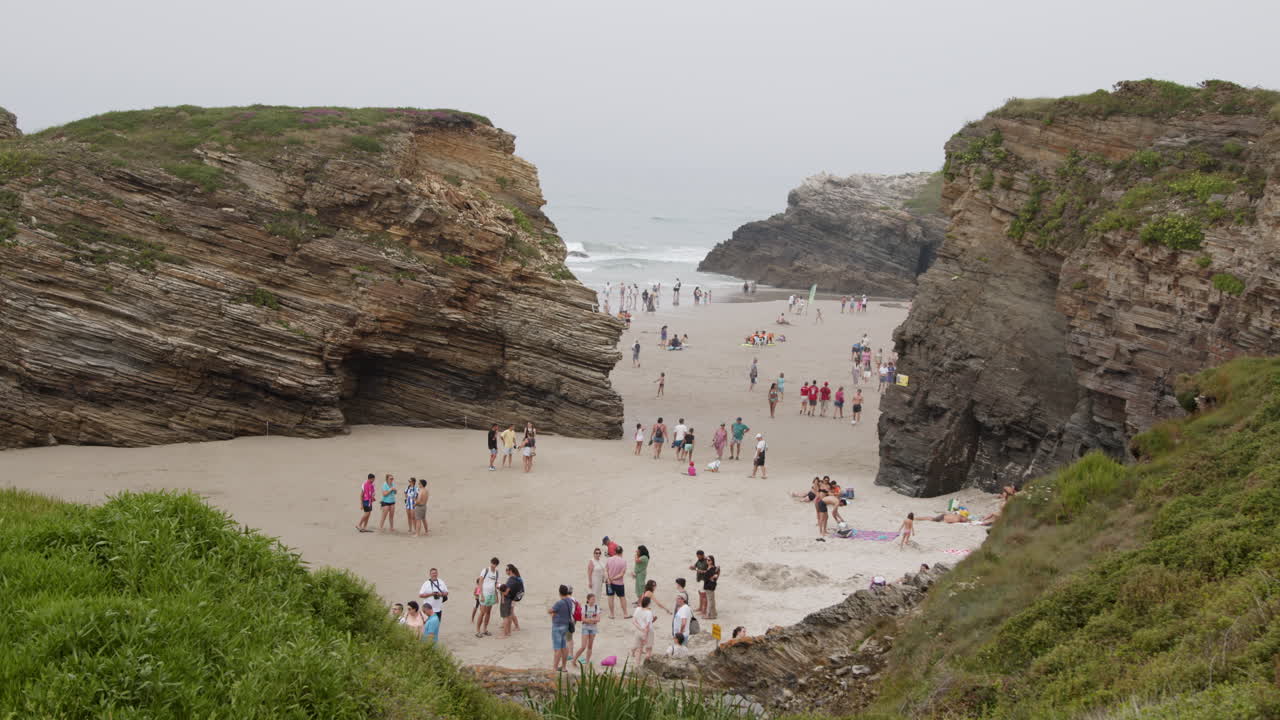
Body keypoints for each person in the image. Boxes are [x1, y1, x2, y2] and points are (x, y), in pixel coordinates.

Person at [549, 585, 576, 672]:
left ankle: (555, 668)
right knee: (564, 647)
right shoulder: (570, 601)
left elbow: (551, 611)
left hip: (557, 626)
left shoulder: (559, 603)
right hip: (565, 626)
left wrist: (552, 612)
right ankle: (564, 667)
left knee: (557, 648)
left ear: (559, 593)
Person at [573, 592, 601, 666]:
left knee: (590, 646)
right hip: (585, 628)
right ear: (588, 600)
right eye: (592, 599)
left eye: (594, 599)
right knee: (583, 646)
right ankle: (574, 660)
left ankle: (587, 662)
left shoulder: (596, 607)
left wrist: (589, 620)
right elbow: (583, 619)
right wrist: (592, 620)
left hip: (593, 629)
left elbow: (598, 619)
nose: (593, 601)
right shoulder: (584, 607)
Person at [475, 557, 500, 638]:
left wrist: (496, 596)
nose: (493, 565)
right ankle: (478, 631)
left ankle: (485, 629)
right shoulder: (485, 570)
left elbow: (495, 584)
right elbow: (480, 582)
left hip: (492, 594)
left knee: (488, 612)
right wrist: (481, 594)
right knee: (482, 613)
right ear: (491, 563)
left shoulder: (496, 572)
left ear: (496, 565)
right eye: (492, 563)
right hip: (484, 594)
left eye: (495, 564)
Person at [499, 564, 524, 638]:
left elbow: (506, 592)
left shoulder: (511, 580)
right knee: (510, 613)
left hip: (511, 598)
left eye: (506, 570)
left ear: (510, 571)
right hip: (516, 597)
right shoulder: (517, 577)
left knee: (509, 615)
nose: (505, 571)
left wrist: (500, 589)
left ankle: (511, 629)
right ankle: (512, 628)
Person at [631, 596, 655, 662]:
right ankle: (647, 663)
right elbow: (647, 626)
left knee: (639, 649)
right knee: (648, 648)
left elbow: (633, 621)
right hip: (647, 632)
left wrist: (640, 628)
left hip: (638, 631)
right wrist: (645, 635)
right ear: (649, 603)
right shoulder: (649, 612)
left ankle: (637, 664)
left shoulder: (637, 609)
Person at [605, 545, 627, 618]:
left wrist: (609, 578)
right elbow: (621, 574)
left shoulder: (609, 559)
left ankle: (612, 614)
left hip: (609, 583)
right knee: (622, 598)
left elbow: (606, 570)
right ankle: (625, 614)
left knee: (610, 598)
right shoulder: (623, 561)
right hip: (619, 583)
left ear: (615, 552)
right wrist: (613, 578)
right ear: (622, 552)